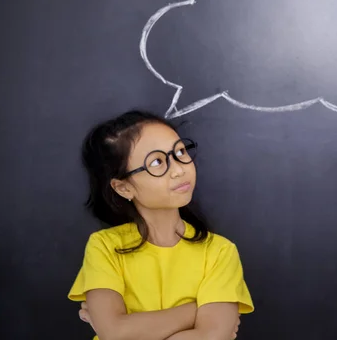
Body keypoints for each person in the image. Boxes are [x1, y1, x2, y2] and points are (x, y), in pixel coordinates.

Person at [67, 110, 254, 340]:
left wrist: (128, 329)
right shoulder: (105, 247)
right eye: (156, 162)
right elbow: (114, 332)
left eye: (180, 152)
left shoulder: (219, 252)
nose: (178, 169)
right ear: (124, 188)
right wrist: (196, 311)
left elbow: (211, 337)